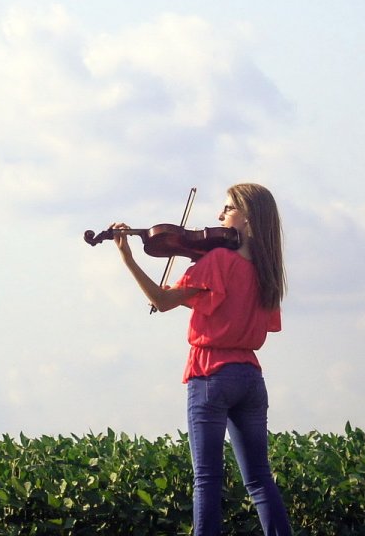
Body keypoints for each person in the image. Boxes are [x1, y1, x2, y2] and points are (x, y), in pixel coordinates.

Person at [110, 183, 293, 536]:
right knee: (258, 479)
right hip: (251, 379)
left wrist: (129, 259)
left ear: (248, 220)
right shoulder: (268, 273)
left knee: (207, 478)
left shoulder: (218, 261)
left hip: (211, 375)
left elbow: (162, 302)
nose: (219, 215)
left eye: (227, 209)